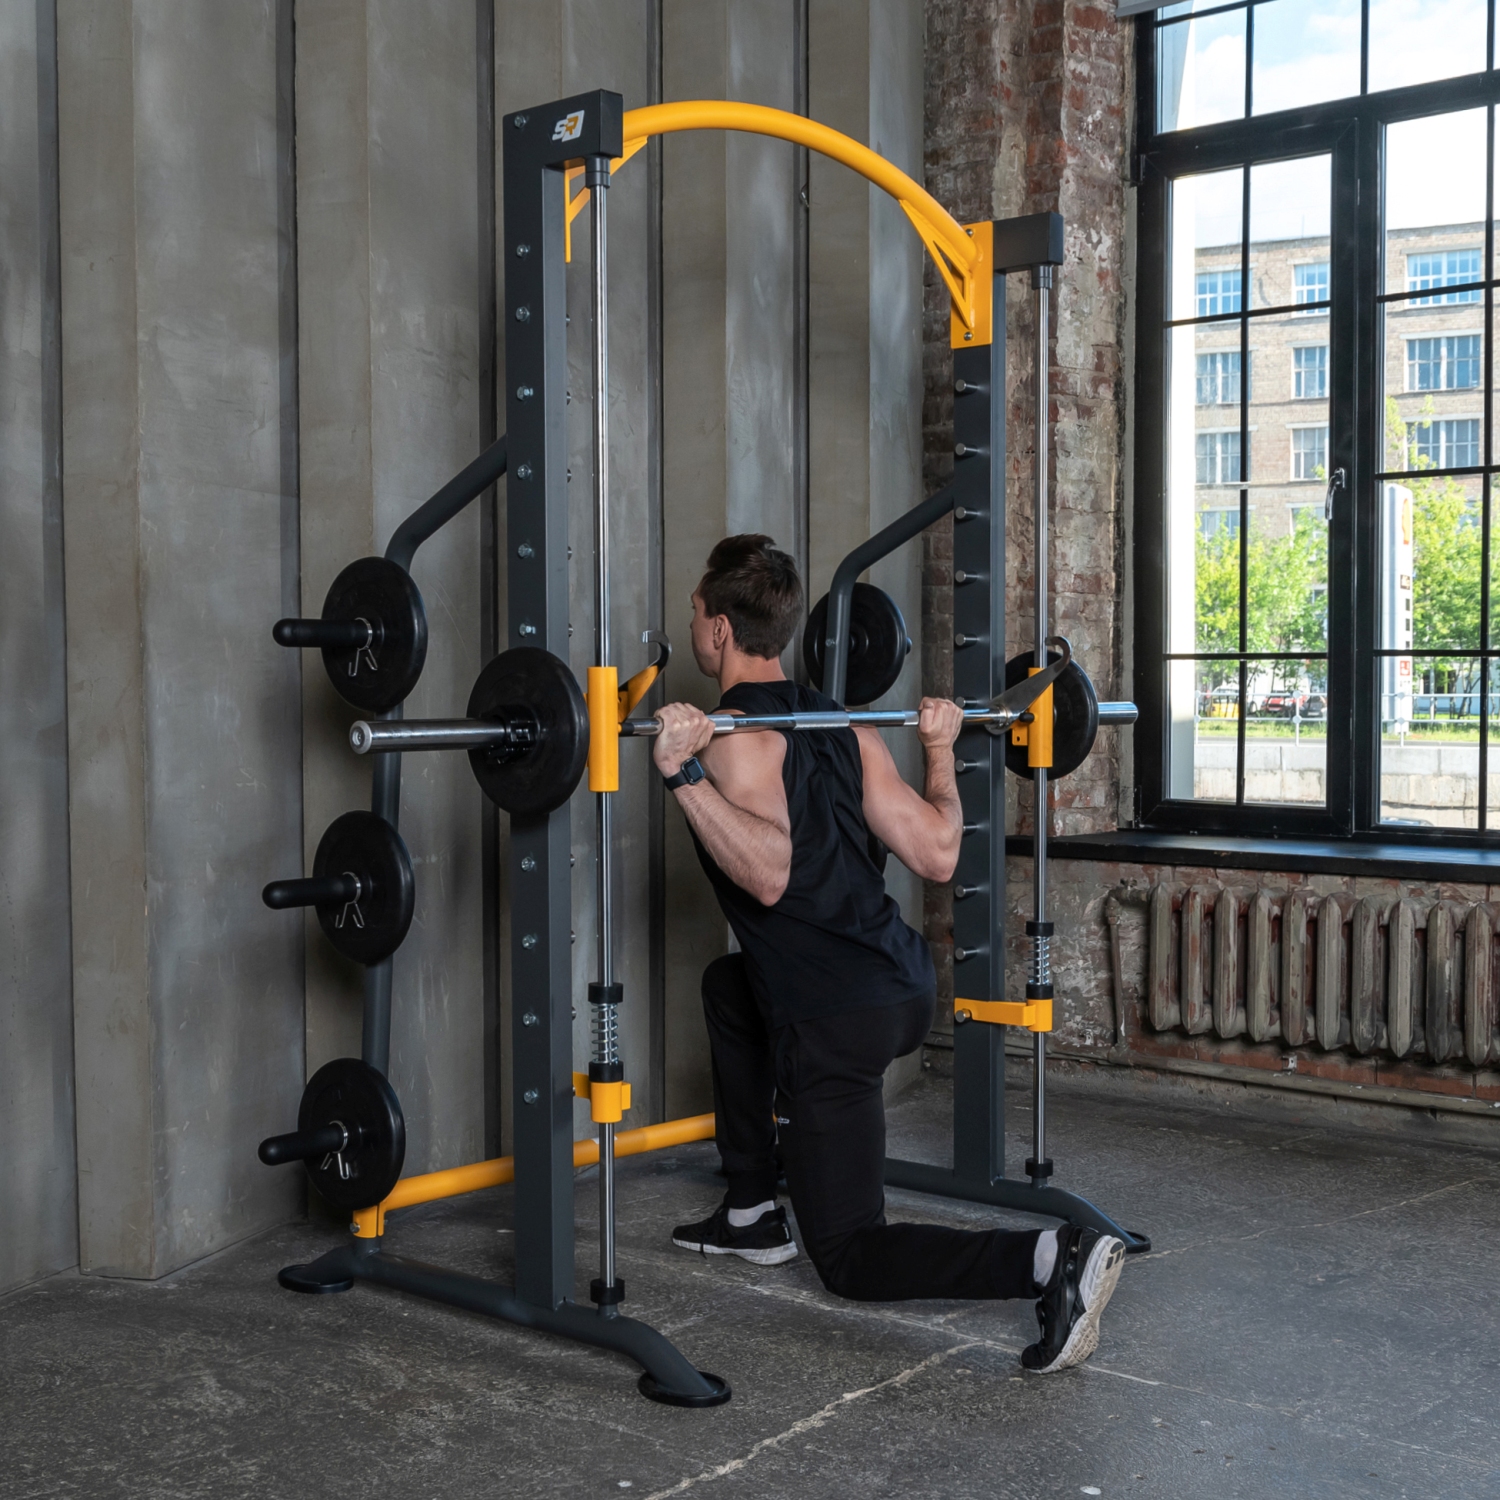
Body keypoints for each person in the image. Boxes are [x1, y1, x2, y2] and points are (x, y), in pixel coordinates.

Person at [650, 534, 1124, 1374]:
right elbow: (939, 853)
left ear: (719, 630)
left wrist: (680, 773)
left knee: (849, 1256)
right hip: (902, 984)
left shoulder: (730, 739)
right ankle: (752, 1208)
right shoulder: (843, 725)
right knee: (730, 986)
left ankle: (1048, 1260)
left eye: (695, 613)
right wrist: (940, 753)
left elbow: (768, 875)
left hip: (835, 1016)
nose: (693, 626)